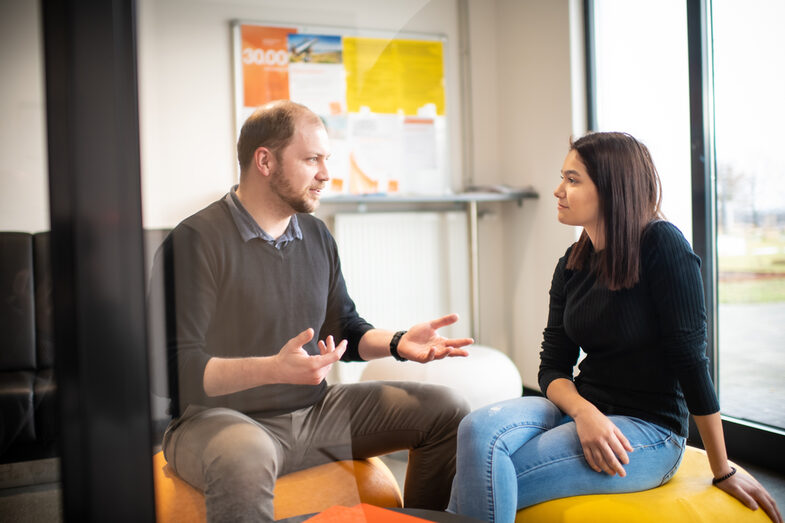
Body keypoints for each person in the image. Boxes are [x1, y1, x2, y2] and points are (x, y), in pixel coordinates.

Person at [152, 100, 473, 522]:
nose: (326, 174)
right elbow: (173, 368)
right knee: (245, 455)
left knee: (448, 409)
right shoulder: (194, 241)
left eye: (327, 160)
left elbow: (346, 328)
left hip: (315, 412)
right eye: (311, 160)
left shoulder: (317, 235)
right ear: (264, 161)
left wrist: (397, 343)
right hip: (215, 420)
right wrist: (273, 369)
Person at [447, 132, 783, 523]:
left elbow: (691, 362)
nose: (558, 190)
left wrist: (722, 467)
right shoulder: (571, 263)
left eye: (573, 180)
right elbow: (552, 367)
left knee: (484, 476)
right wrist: (585, 412)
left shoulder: (662, 245)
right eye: (563, 177)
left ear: (611, 189)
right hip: (580, 409)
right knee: (475, 429)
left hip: (648, 430)